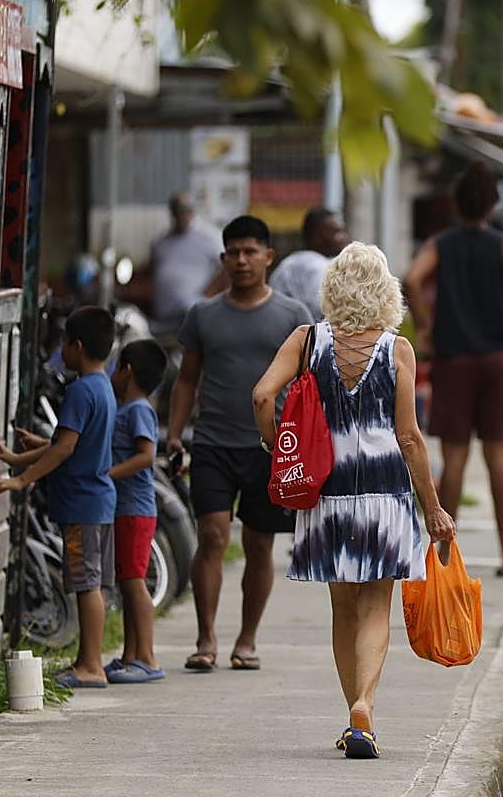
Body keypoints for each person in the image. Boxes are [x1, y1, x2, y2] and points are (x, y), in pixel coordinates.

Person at [253, 242, 456, 760]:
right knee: (375, 609)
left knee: (342, 607)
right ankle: (364, 706)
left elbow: (260, 396)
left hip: (326, 493)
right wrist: (432, 508)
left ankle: (354, 715)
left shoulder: (305, 341)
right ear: (386, 292)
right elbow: (409, 437)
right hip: (387, 493)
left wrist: (277, 446)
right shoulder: (398, 350)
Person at [167, 215, 313, 672]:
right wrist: (174, 433)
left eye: (252, 252)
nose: (243, 260)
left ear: (269, 257)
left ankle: (247, 639)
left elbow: (308, 386)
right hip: (211, 443)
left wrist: (307, 444)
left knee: (258, 544)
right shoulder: (202, 314)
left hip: (270, 448)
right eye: (235, 253)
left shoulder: (294, 317)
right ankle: (206, 636)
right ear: (223, 258)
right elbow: (187, 379)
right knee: (211, 535)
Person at [404, 162, 503, 577]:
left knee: (454, 459)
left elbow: (412, 278)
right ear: (493, 203)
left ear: (457, 203)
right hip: (496, 359)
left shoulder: (441, 244)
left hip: (453, 359)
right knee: (498, 458)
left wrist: (427, 326)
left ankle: (445, 558)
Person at [0, 307, 118, 688]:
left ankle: (91, 666)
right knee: (87, 581)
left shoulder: (79, 390)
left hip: (83, 502)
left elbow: (63, 450)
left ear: (77, 346)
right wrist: (17, 457)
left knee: (86, 582)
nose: (62, 350)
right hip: (96, 501)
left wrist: (21, 479)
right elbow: (62, 444)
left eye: (64, 344)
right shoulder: (102, 387)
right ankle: (86, 660)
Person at [104, 339, 168, 684]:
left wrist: (107, 474)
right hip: (124, 508)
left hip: (135, 509)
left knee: (134, 583)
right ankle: (130, 654)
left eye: (117, 367)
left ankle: (147, 656)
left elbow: (145, 455)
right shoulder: (125, 409)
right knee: (127, 583)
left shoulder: (138, 409)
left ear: (127, 371)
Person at [149, 192, 224, 335]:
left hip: (192, 314)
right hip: (164, 315)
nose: (181, 215)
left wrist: (207, 295)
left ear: (192, 211)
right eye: (177, 211)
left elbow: (226, 267)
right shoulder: (162, 241)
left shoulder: (209, 237)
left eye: (185, 210)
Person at [270, 206, 350, 321]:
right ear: (317, 236)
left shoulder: (286, 265)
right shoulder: (324, 269)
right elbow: (327, 313)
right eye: (337, 232)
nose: (344, 238)